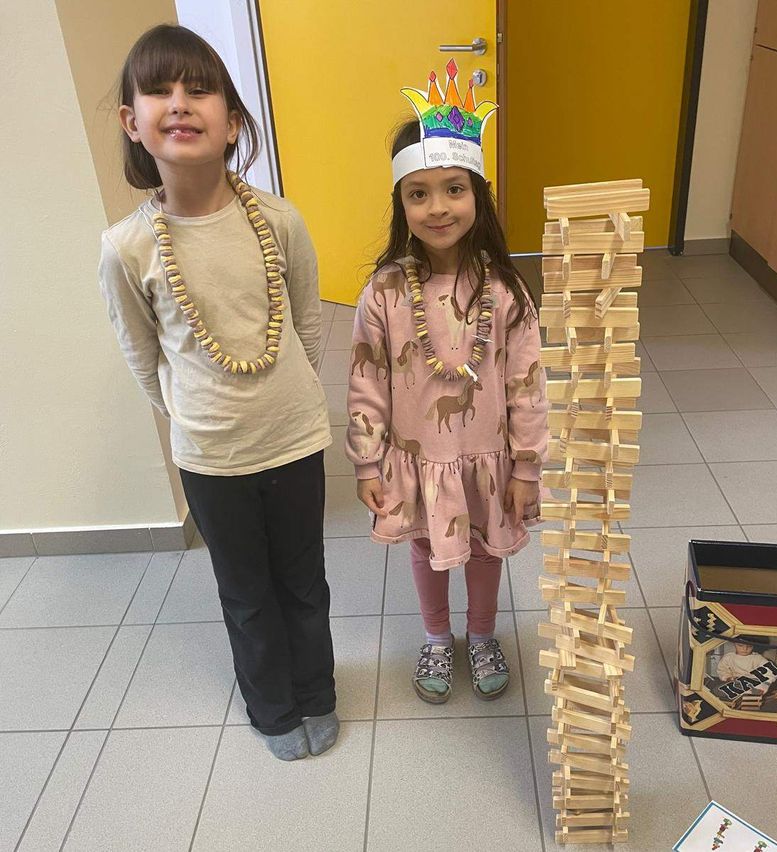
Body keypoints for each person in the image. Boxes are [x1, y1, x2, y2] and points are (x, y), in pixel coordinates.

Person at [99, 24, 336, 760]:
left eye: (200, 89)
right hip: (210, 454)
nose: (180, 102)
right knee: (246, 591)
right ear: (131, 122)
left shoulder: (280, 220)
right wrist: (198, 420)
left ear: (233, 122)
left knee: (304, 579)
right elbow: (143, 357)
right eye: (160, 90)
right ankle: (272, 707)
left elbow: (308, 321)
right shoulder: (127, 246)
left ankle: (317, 691)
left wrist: (287, 401)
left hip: (294, 436)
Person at [346, 61, 548, 703]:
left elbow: (527, 386)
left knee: (485, 549)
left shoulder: (506, 291)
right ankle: (437, 638)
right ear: (401, 205)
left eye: (454, 189)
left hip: (488, 459)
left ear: (478, 196)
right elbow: (367, 382)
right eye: (419, 193)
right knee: (428, 546)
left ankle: (482, 632)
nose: (437, 208)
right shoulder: (383, 292)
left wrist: (526, 469)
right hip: (418, 458)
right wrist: (366, 462)